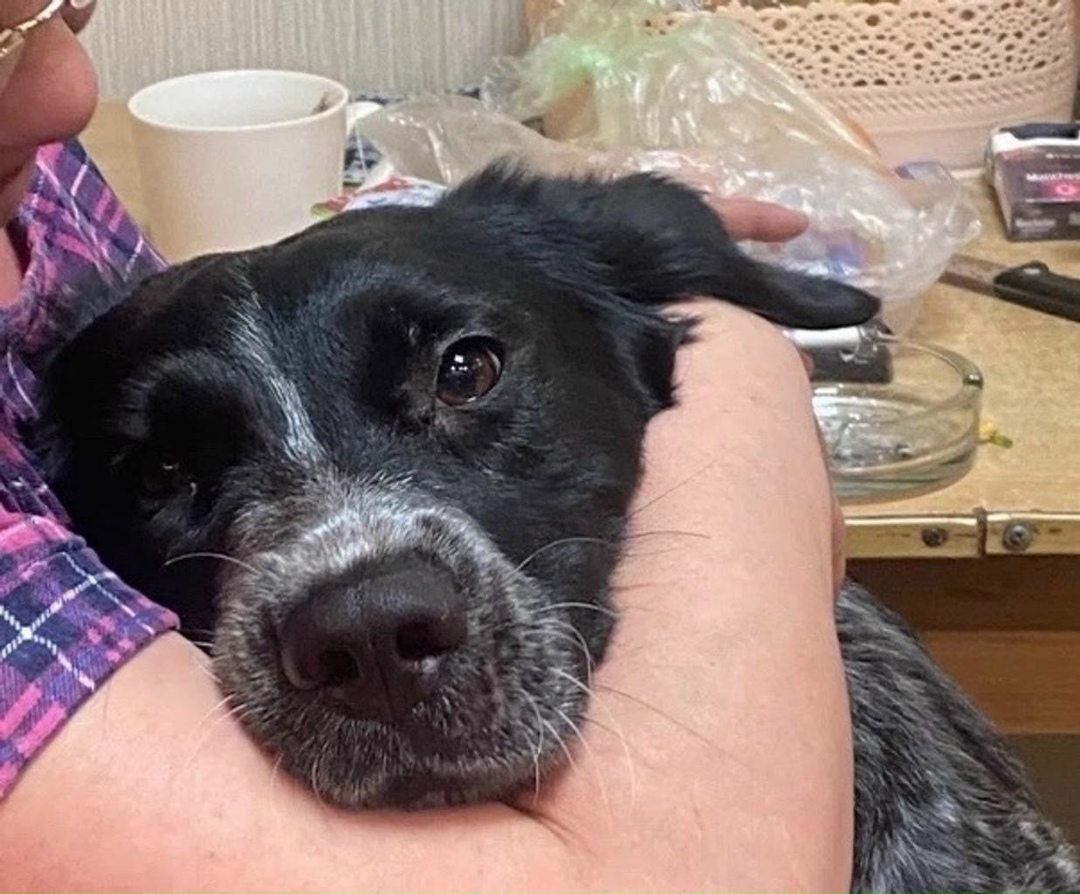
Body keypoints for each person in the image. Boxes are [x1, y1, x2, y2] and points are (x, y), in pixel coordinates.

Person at [0, 2, 854, 892]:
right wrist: (745, 380)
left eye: (463, 375)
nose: (71, 94)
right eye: (166, 474)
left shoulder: (32, 164)